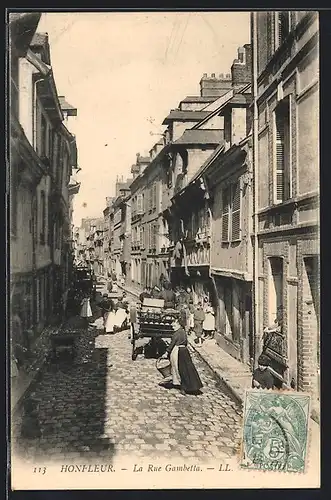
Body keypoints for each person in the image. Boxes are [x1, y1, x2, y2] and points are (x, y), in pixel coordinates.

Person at [164, 315, 203, 395]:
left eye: (174, 325)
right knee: (187, 369)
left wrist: (166, 352)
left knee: (178, 369)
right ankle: (192, 386)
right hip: (185, 352)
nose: (173, 327)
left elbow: (172, 345)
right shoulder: (183, 332)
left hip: (178, 352)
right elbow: (186, 342)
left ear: (179, 325)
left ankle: (182, 387)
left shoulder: (176, 334)